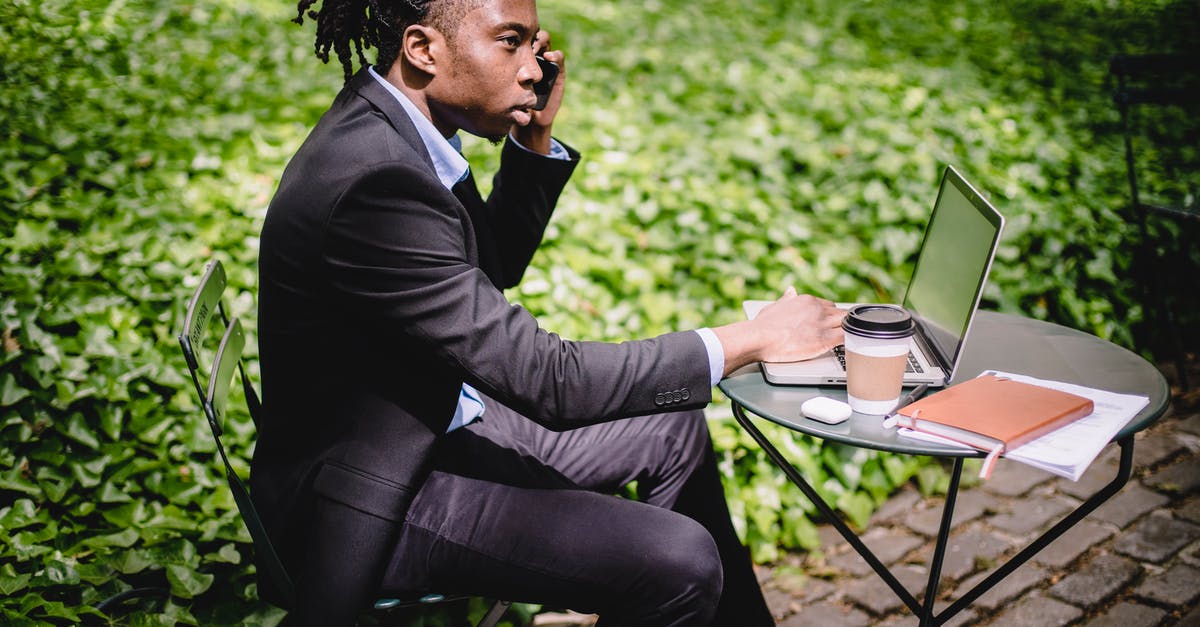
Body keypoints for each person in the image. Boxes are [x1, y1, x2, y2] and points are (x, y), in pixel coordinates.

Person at [252, 0, 845, 624]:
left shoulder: (400, 128)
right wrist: (751, 339)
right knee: (681, 559)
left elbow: (492, 266)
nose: (534, 69)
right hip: (375, 496)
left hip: (428, 424)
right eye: (509, 41)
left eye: (534, 45)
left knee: (673, 430)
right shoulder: (375, 182)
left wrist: (533, 139)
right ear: (424, 50)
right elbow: (551, 382)